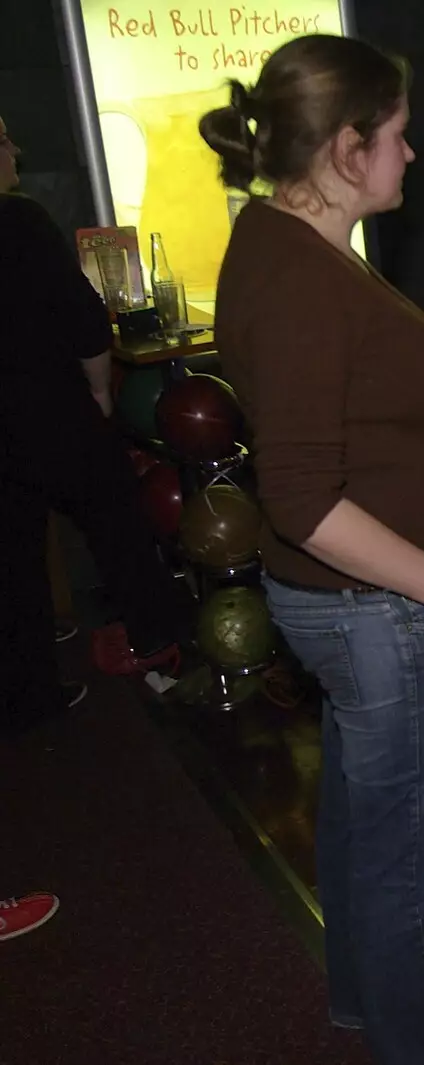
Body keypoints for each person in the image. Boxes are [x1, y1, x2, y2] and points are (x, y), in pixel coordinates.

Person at [201, 37, 424, 1065]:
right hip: (377, 607)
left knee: (358, 823)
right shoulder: (300, 278)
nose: (412, 156)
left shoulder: (278, 238)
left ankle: (367, 990)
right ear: (346, 148)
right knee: (402, 869)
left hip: (348, 606)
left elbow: (335, 421)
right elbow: (300, 497)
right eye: (396, 135)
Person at [0, 114, 188, 736]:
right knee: (117, 522)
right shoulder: (21, 220)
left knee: (13, 559)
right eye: (4, 138)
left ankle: (31, 693)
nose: (16, 147)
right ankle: (158, 638)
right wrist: (103, 394)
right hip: (48, 410)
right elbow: (83, 321)